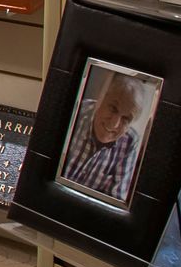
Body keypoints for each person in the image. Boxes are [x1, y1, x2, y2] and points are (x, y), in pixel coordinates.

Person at [61, 74, 148, 202]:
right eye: (113, 108)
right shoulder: (75, 112)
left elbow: (114, 200)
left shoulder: (130, 142)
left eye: (126, 119)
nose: (114, 124)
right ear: (100, 99)